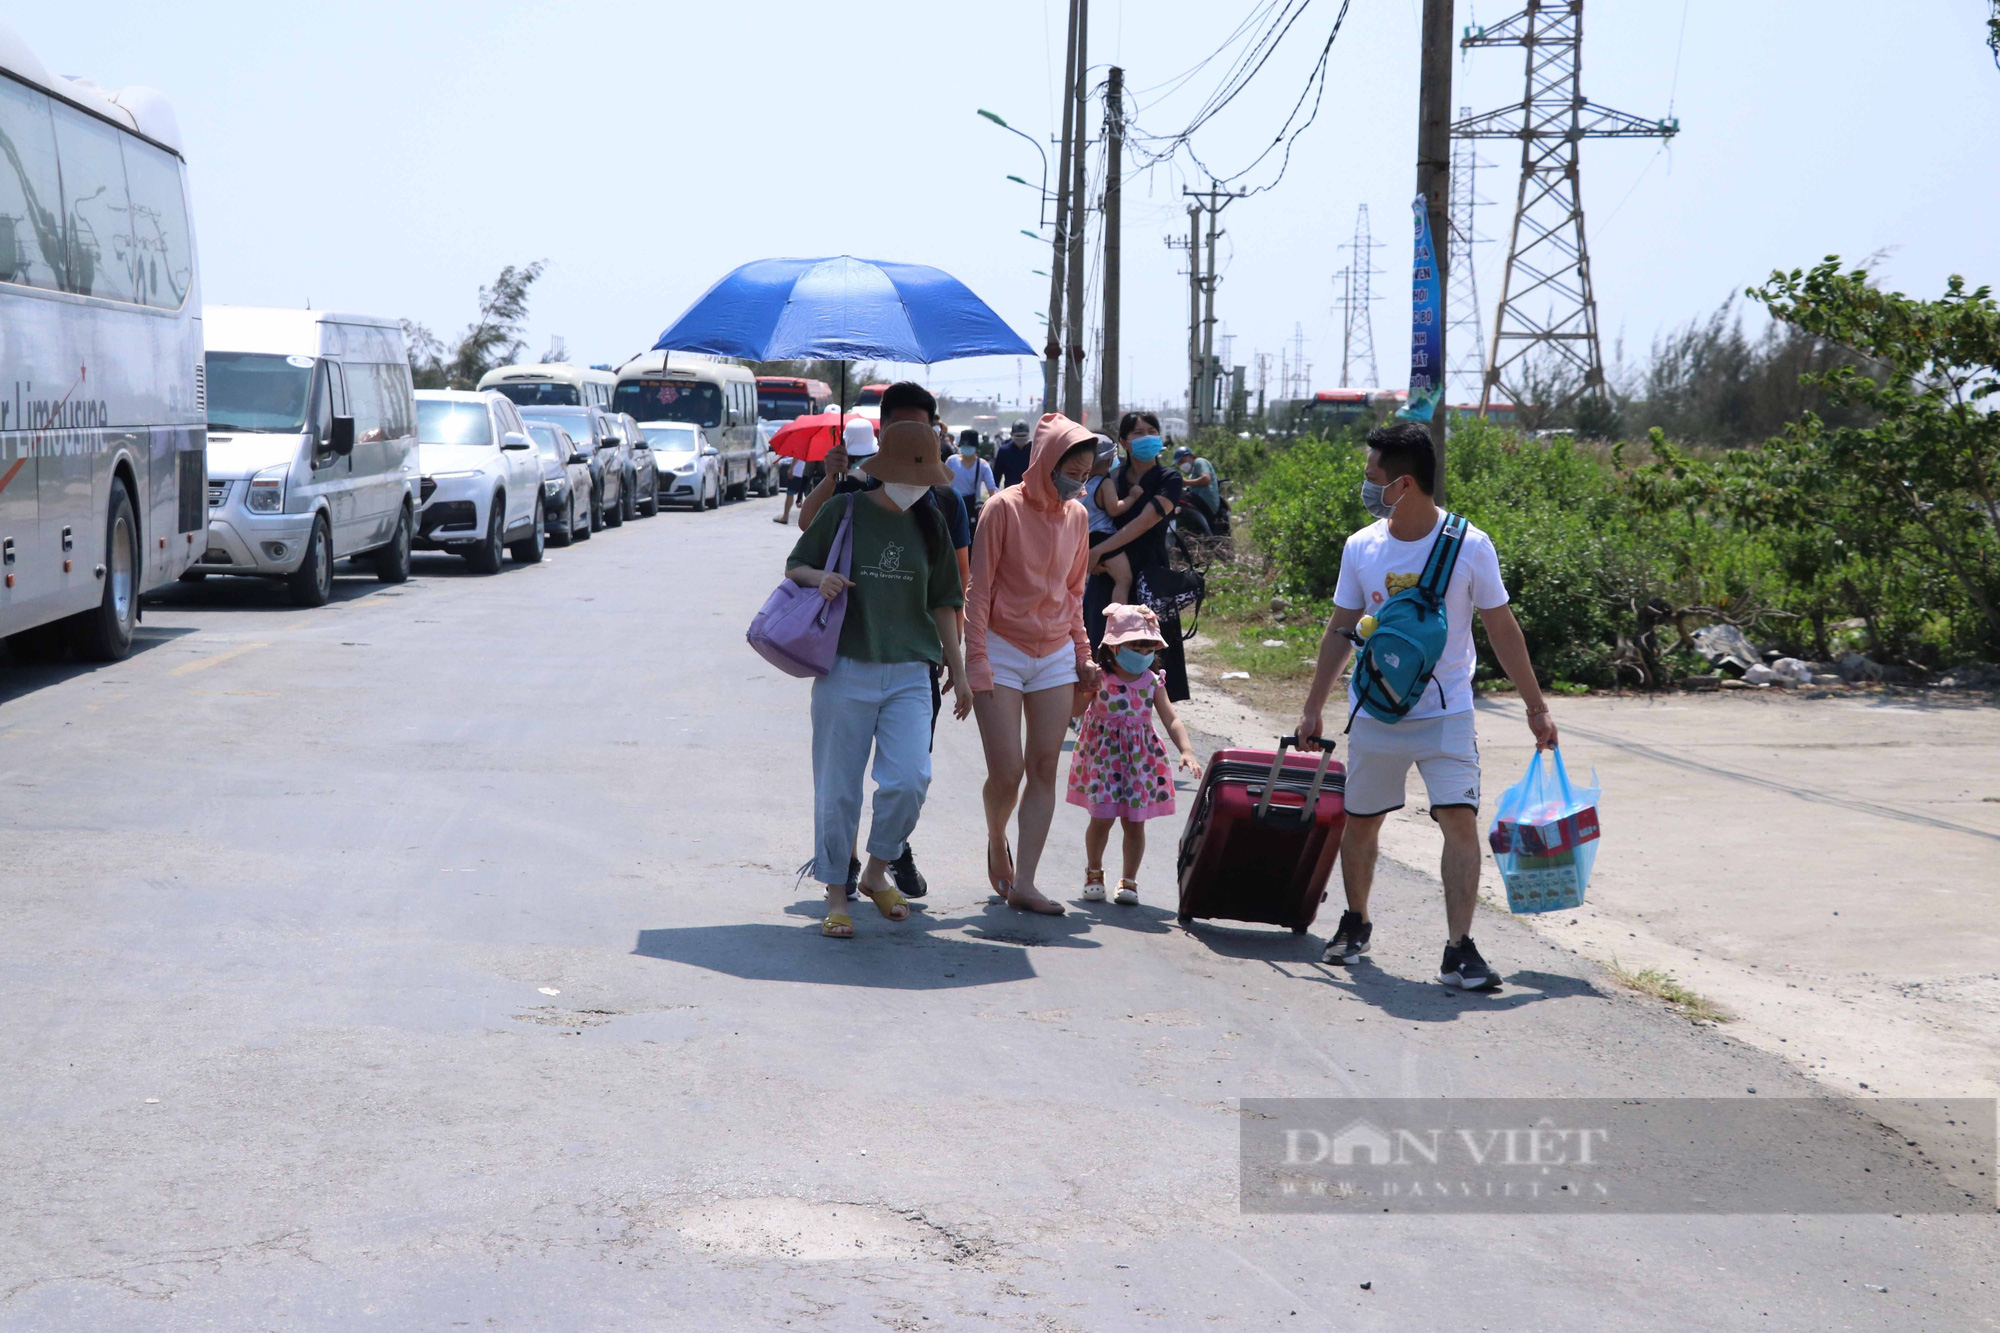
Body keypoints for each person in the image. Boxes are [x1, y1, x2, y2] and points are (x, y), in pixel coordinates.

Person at [1294, 420, 1560, 989]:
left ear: (1404, 483)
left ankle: (1459, 949)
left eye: (1373, 476)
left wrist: (1536, 707)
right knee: (1361, 824)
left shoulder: (1469, 544)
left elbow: (1501, 628)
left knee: (1460, 823)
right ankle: (1356, 921)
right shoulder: (1361, 547)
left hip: (1447, 714)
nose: (1366, 486)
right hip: (1375, 711)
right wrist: (1313, 706)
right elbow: (1340, 628)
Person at [785, 420, 970, 938]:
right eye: (910, 477)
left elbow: (945, 601)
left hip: (912, 671)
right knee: (838, 790)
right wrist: (819, 578)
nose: (917, 486)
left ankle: (875, 870)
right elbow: (795, 564)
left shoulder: (931, 521)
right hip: (846, 666)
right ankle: (837, 893)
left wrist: (959, 667)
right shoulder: (844, 510)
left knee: (911, 779)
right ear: (883, 471)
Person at [964, 413, 1102, 915]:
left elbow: (1074, 594)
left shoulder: (1078, 518)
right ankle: (996, 835)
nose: (1079, 482)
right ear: (1046, 462)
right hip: (1000, 648)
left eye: (1087, 475)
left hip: (1055, 656)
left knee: (1044, 766)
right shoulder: (1002, 509)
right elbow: (977, 591)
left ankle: (1025, 882)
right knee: (1007, 771)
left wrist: (1084, 656)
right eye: (1073, 471)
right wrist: (975, 660)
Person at [1067, 603, 1202, 906]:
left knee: (1135, 822)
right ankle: (1094, 872)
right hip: (1104, 760)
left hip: (1139, 762)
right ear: (1114, 648)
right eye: (1135, 645)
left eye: (1148, 646)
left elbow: (1171, 718)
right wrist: (1079, 684)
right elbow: (1075, 710)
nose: (1142, 653)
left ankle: (1129, 881)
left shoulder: (1153, 682)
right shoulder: (1101, 678)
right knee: (1101, 819)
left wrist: (1187, 750)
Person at [1086, 411, 1192, 701]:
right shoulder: (1111, 478)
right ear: (1123, 442)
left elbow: (1144, 523)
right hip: (1107, 578)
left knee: (1150, 659)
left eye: (1151, 430)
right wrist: (1089, 555)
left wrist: (1098, 551)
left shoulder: (1169, 478)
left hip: (1148, 579)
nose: (1147, 437)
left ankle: (1144, 726)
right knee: (1102, 650)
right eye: (1138, 432)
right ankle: (1097, 716)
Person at [1172, 444, 1224, 537]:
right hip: (1201, 503)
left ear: (1190, 456)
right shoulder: (1193, 474)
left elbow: (1206, 479)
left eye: (1181, 461)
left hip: (1205, 501)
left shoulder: (1199, 461)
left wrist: (1186, 482)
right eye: (1179, 463)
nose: (1181, 464)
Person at [946, 433, 997, 524]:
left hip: (972, 506)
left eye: (969, 446)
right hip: (953, 504)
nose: (966, 448)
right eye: (964, 446)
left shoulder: (983, 465)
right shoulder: (951, 461)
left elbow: (992, 490)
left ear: (975, 447)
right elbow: (943, 483)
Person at [992, 419, 1033, 489]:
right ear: (1012, 435)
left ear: (1028, 435)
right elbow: (997, 475)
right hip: (1010, 493)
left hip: (1031, 493)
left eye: (1023, 435)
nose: (1021, 438)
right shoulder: (1004, 451)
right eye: (1018, 436)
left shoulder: (1034, 450)